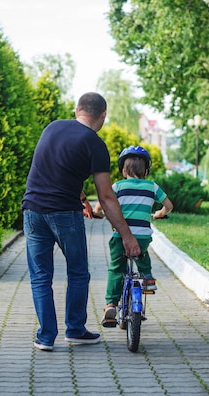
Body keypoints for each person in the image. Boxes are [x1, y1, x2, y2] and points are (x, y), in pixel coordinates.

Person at [21, 92, 141, 352]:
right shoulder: (95, 144)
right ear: (103, 115)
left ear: (77, 110)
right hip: (64, 213)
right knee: (77, 272)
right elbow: (107, 197)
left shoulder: (52, 128)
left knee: (41, 276)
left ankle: (45, 338)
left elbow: (53, 169)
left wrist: (82, 197)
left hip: (32, 210)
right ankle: (75, 330)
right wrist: (127, 236)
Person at [92, 145, 173, 328]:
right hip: (142, 236)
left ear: (123, 170)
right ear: (146, 170)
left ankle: (111, 304)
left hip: (121, 237)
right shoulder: (152, 186)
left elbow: (99, 207)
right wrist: (160, 213)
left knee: (116, 268)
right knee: (142, 255)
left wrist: (99, 214)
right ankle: (148, 278)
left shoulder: (117, 186)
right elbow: (169, 205)